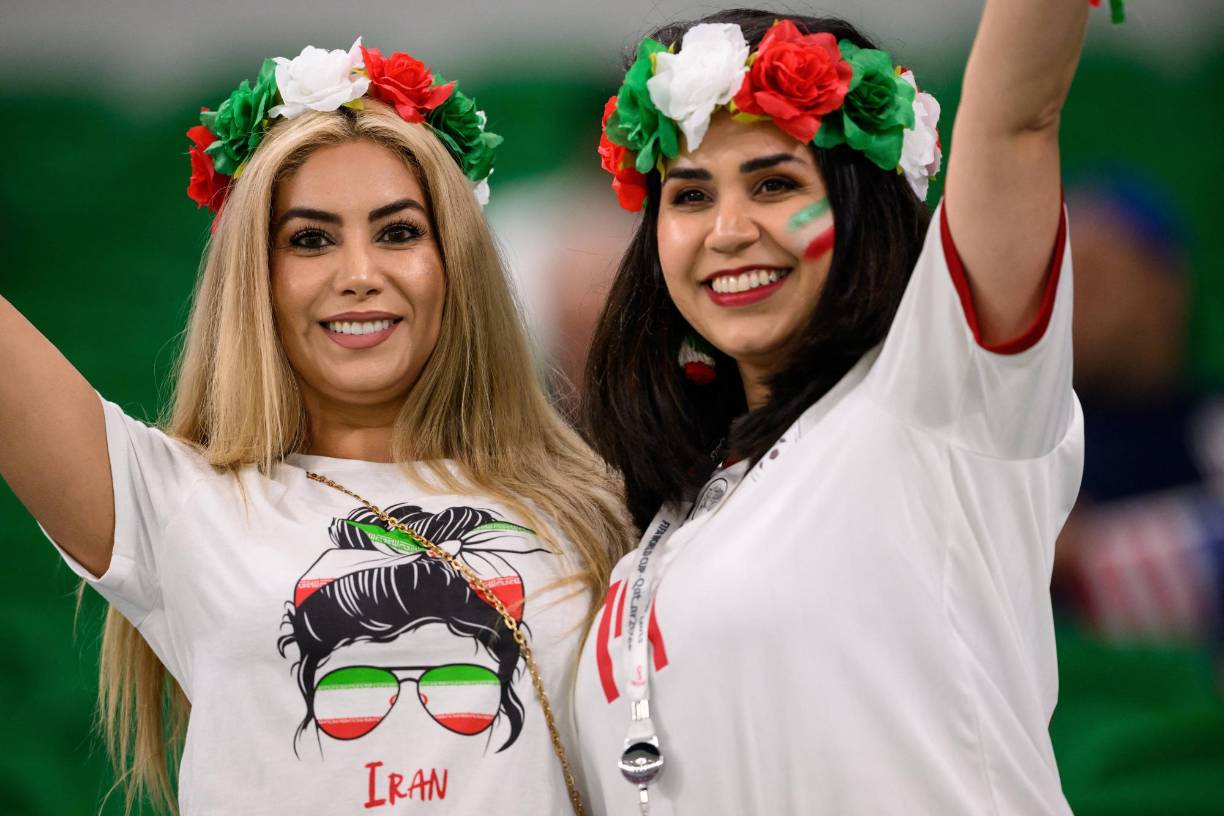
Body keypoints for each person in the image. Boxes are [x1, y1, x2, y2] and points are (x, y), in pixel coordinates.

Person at [0, 38, 630, 814]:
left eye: (399, 232)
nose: (358, 273)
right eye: (310, 239)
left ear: (456, 263)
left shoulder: (597, 504)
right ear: (255, 278)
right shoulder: (173, 501)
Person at [577, 5, 1090, 814]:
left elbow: (1020, 120)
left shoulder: (936, 397)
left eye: (776, 184)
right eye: (690, 196)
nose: (729, 230)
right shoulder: (673, 511)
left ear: (861, 205)